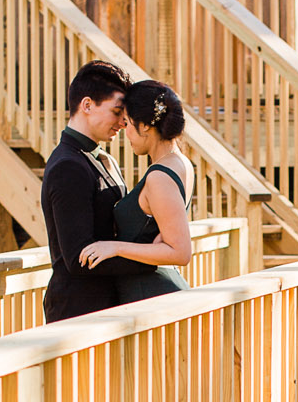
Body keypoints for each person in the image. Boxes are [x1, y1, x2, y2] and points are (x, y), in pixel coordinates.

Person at [79, 79, 195, 303]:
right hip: (156, 292)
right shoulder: (181, 163)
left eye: (128, 124)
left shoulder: (159, 177)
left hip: (151, 296)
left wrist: (114, 247)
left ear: (145, 126)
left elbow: (180, 252)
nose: (126, 132)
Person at [39, 59, 138, 322]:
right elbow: (78, 257)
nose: (123, 122)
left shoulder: (102, 159)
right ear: (87, 105)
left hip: (107, 308)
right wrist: (150, 258)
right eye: (117, 112)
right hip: (78, 312)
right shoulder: (67, 166)